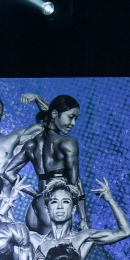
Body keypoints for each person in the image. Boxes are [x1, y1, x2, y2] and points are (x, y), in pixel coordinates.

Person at [24, 93, 84, 233]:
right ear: (54, 115)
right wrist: (83, 218)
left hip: (36, 204)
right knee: (56, 246)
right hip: (55, 206)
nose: (73, 123)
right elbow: (75, 183)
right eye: (71, 117)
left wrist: (33, 193)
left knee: (34, 246)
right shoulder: (68, 143)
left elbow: (8, 171)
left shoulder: (31, 141)